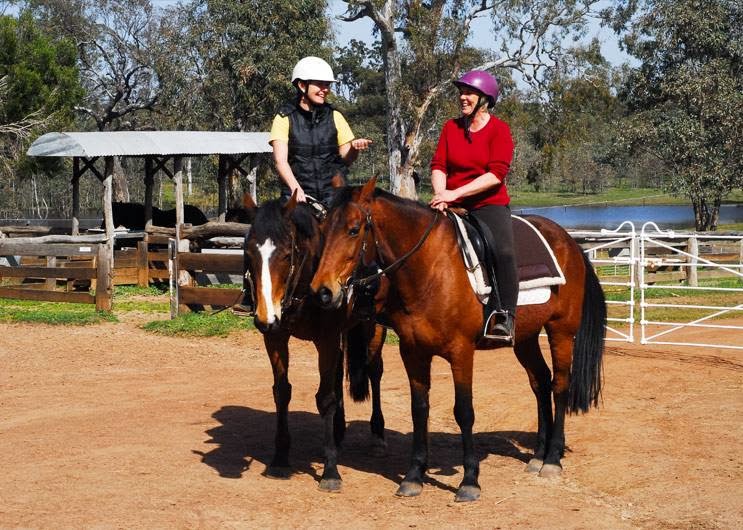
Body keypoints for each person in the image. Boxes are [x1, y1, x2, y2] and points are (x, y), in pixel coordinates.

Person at [429, 70, 518, 343]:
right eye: (461, 92)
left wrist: (455, 193)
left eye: (469, 93)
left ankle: (504, 315)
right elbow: (439, 165)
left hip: (487, 204)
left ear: (485, 99)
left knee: (502, 251)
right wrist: (441, 194)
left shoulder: (499, 130)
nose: (462, 97)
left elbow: (495, 175)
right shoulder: (450, 128)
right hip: (450, 202)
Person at [269, 56, 372, 207]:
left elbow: (345, 160)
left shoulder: (336, 116)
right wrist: (296, 189)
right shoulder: (284, 117)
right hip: (297, 198)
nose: (325, 90)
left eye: (327, 85)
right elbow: (280, 161)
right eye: (319, 84)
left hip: (333, 197)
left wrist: (354, 149)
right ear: (302, 86)